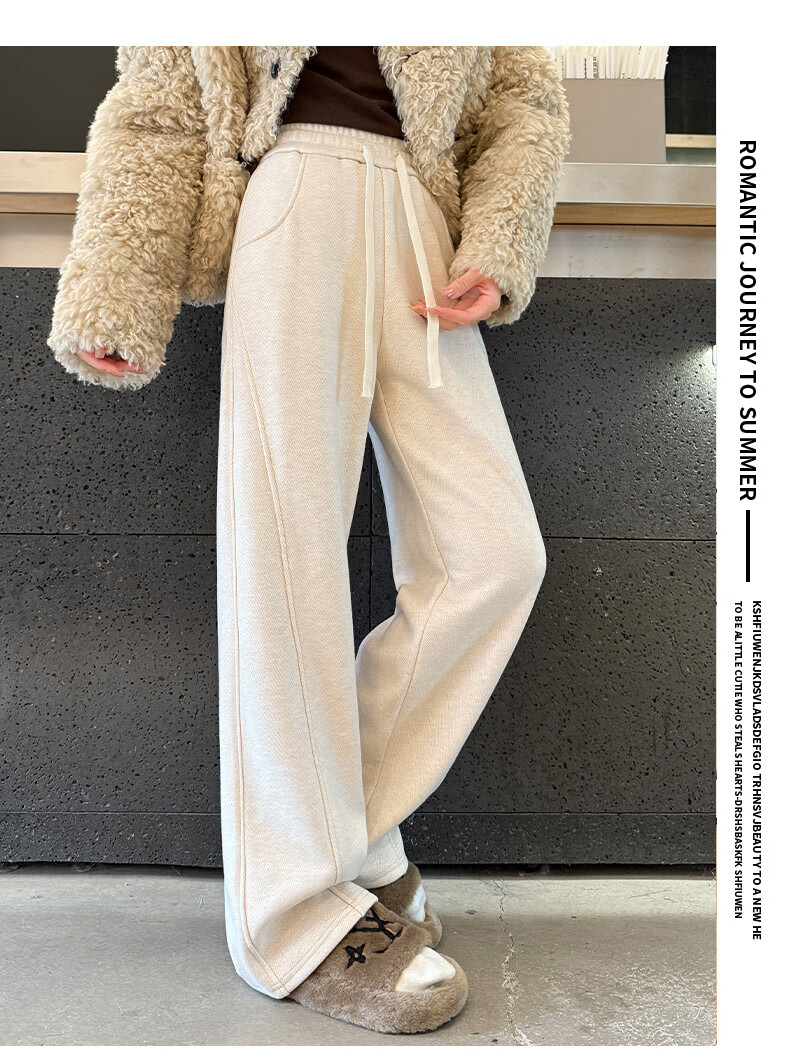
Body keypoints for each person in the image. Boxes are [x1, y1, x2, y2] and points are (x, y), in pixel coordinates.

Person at [47, 45, 572, 1034]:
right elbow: (161, 102)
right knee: (285, 572)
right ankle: (289, 921)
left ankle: (348, 845)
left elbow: (521, 102)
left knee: (495, 556)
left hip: (421, 218)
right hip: (291, 197)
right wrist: (118, 284)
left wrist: (498, 241)